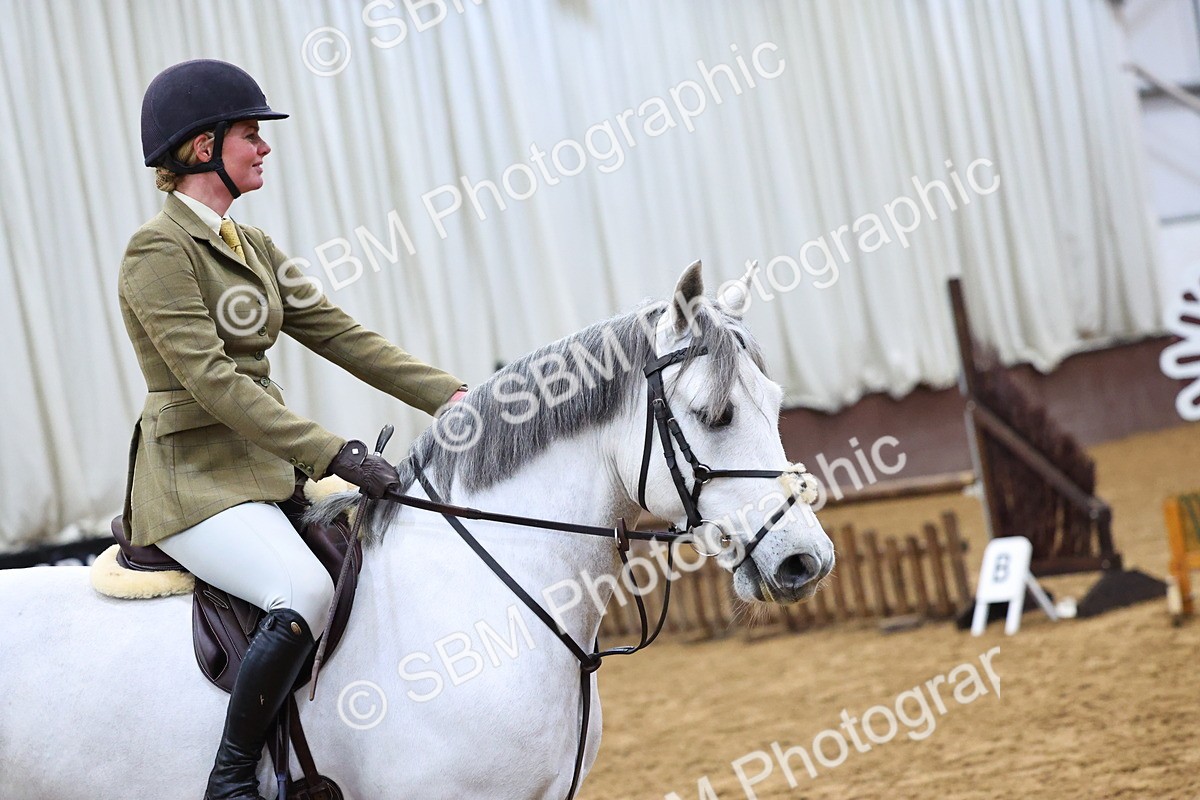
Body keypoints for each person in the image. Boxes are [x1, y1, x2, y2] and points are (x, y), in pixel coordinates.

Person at [119, 59, 466, 800]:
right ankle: (232, 779)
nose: (264, 147)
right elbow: (212, 382)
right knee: (302, 591)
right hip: (193, 484)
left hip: (261, 472)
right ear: (202, 147)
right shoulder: (158, 251)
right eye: (251, 134)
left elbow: (340, 333)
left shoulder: (256, 248)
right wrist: (332, 452)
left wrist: (451, 395)